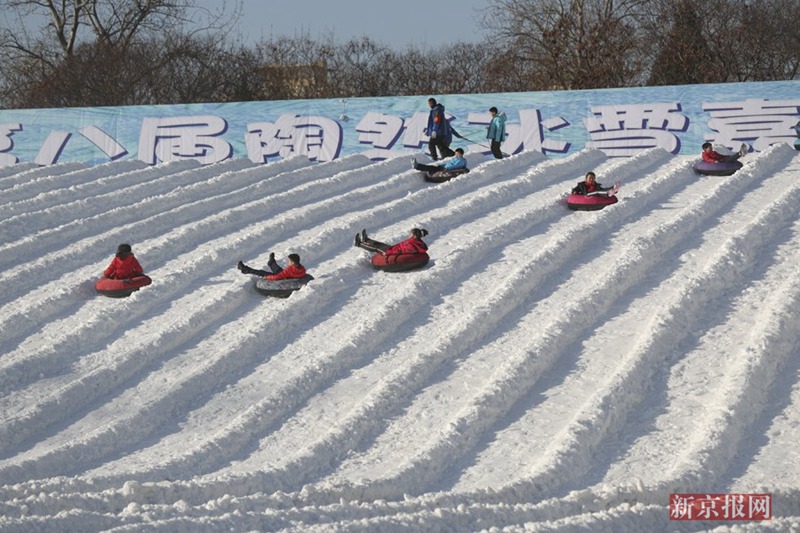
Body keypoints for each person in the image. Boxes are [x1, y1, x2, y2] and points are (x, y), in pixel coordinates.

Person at [354, 228, 429, 256]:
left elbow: (400, 252)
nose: (409, 234)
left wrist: (387, 253)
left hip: (391, 253)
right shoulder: (415, 241)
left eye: (411, 233)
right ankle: (366, 239)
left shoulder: (412, 244)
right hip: (392, 249)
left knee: (376, 248)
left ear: (415, 236)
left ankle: (359, 244)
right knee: (380, 244)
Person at [237, 253, 307, 280]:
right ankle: (271, 263)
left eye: (289, 261)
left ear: (292, 262)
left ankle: (244, 269)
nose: (288, 262)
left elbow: (277, 277)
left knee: (262, 272)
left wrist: (267, 277)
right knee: (279, 269)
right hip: (287, 276)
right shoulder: (302, 269)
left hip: (283, 279)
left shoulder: (289, 270)